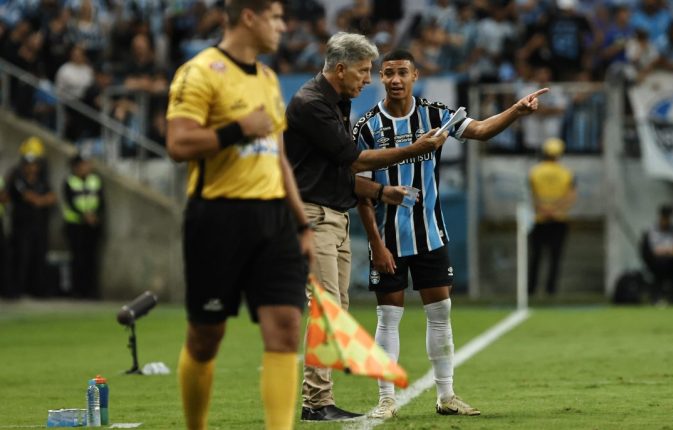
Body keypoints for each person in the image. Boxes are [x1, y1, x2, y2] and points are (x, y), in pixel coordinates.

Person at [354, 49, 547, 419]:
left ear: (415, 76)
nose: (395, 79)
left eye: (402, 73)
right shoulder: (366, 127)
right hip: (388, 238)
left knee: (440, 313)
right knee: (387, 317)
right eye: (388, 73)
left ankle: (446, 396)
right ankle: (386, 400)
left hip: (430, 235)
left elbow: (480, 130)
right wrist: (376, 245)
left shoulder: (435, 114)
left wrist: (516, 111)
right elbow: (357, 188)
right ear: (381, 78)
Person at [284, 33, 449, 422]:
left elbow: (337, 171)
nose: (368, 80)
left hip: (334, 215)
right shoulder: (312, 104)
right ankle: (315, 402)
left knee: (335, 310)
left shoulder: (336, 101)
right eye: (363, 71)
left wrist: (380, 191)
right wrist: (414, 149)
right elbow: (353, 159)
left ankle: (319, 399)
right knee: (326, 310)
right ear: (340, 69)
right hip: (314, 216)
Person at [165, 1, 311, 429]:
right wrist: (236, 128)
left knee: (285, 328)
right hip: (218, 219)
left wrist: (301, 223)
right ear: (250, 16)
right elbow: (178, 143)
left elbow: (279, 159)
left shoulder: (268, 78)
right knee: (206, 338)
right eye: (277, 18)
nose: (283, 27)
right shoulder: (200, 71)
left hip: (274, 221)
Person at [6, 137, 57, 299]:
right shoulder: (16, 176)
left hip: (40, 225)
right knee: (21, 257)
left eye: (35, 163)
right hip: (21, 225)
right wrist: (42, 200)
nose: (32, 167)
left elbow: (52, 197)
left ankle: (38, 290)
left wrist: (41, 200)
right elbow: (29, 197)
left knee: (39, 256)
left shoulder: (42, 179)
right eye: (29, 163)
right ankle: (18, 289)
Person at [528, 137, 576, 297]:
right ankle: (551, 290)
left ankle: (531, 290)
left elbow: (530, 195)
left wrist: (543, 209)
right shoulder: (567, 173)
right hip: (559, 219)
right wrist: (555, 210)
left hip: (539, 219)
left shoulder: (535, 171)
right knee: (555, 257)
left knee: (536, 257)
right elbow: (571, 196)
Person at [61, 154, 104, 299]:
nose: (88, 167)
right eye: (84, 164)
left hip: (92, 227)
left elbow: (101, 201)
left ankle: (91, 291)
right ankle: (77, 291)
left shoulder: (95, 180)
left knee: (91, 260)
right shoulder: (69, 181)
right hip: (75, 226)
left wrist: (95, 215)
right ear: (76, 166)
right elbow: (70, 202)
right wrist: (84, 215)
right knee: (78, 260)